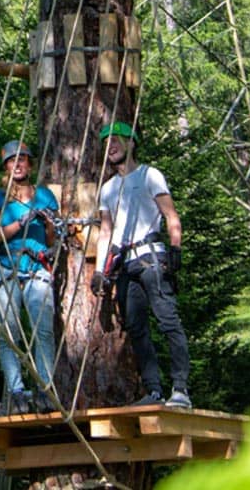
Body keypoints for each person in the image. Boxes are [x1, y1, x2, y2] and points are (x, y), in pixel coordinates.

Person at [90, 120, 191, 409]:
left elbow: (170, 214)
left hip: (151, 257)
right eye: (107, 144)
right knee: (136, 328)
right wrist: (100, 270)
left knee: (168, 320)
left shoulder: (149, 175)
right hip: (125, 263)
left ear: (131, 143)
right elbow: (106, 232)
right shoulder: (108, 188)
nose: (111, 147)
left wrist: (175, 248)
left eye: (117, 141)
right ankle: (154, 390)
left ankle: (181, 389)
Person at [0, 140, 60, 415]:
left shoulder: (46, 196)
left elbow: (51, 239)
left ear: (30, 163)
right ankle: (16, 392)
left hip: (37, 268)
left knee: (44, 331)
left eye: (23, 160)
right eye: (12, 161)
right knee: (10, 333)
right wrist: (22, 221)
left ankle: (45, 389)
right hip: (6, 268)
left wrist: (48, 223)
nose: (18, 165)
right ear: (6, 166)